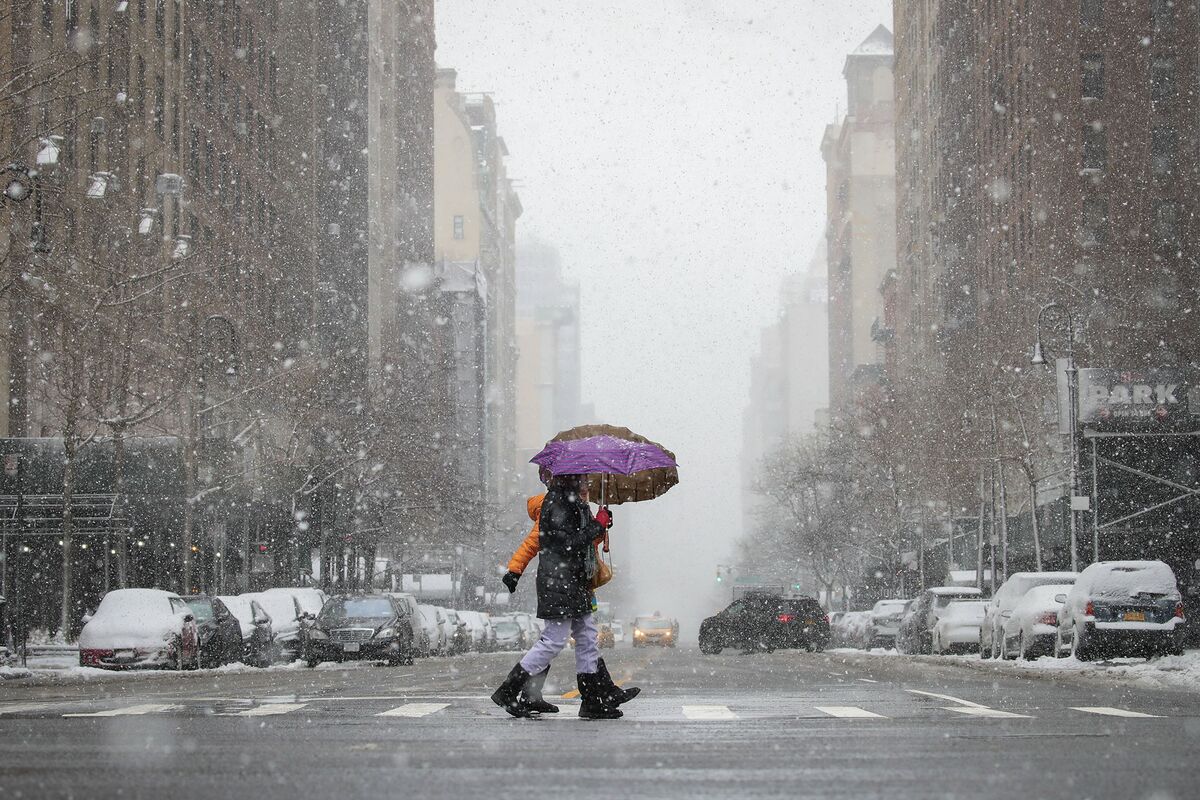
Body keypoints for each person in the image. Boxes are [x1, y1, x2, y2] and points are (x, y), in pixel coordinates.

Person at [492, 473, 639, 719]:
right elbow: (566, 544)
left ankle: (591, 700)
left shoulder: (573, 503)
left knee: (587, 638)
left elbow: (582, 542)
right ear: (570, 478)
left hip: (574, 582)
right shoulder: (557, 503)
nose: (586, 482)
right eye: (582, 477)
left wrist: (601, 527)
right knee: (554, 640)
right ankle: (508, 691)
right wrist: (596, 525)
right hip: (559, 582)